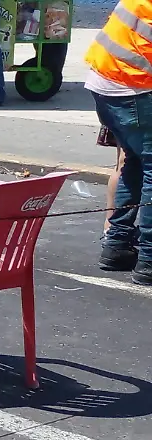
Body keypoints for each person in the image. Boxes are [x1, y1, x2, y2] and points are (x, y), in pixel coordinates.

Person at [86, 0, 152, 285]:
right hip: (132, 88)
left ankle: (117, 244)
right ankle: (149, 259)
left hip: (105, 84)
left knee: (135, 163)